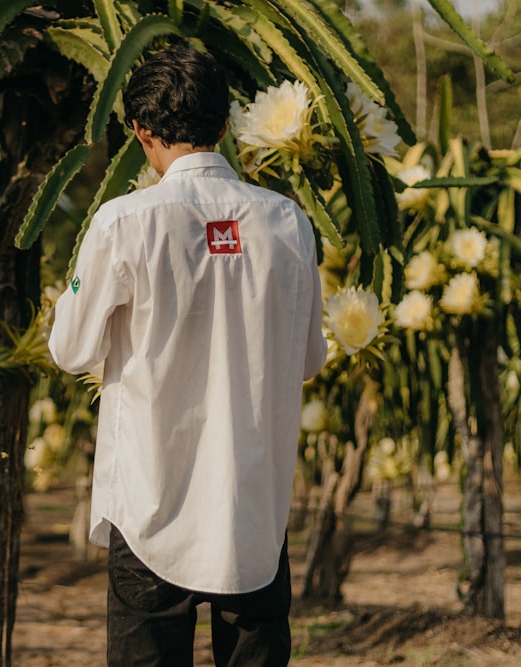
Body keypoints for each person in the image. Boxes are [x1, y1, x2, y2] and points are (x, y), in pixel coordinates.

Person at [47, 46, 327, 666]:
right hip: (252, 509)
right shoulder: (288, 224)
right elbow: (309, 360)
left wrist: (77, 287)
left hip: (150, 505)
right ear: (224, 126)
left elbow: (69, 349)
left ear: (142, 132)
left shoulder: (122, 222)